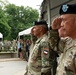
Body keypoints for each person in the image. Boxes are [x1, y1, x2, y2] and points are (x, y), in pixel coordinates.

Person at [51, 4, 76, 75]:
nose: (61, 24)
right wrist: (54, 31)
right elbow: (55, 47)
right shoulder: (68, 41)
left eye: (64, 20)